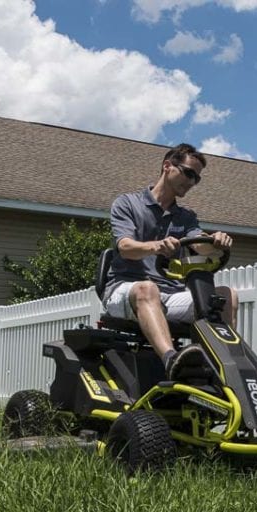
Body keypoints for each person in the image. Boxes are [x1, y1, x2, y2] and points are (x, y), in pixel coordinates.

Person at [102, 143, 237, 380]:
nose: (192, 181)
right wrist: (157, 246)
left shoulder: (186, 217)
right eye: (188, 173)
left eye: (197, 178)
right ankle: (172, 361)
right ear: (167, 166)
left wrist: (215, 240)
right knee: (147, 288)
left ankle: (222, 366)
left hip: (170, 295)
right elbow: (125, 248)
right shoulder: (127, 204)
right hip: (125, 289)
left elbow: (198, 244)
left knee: (226, 296)